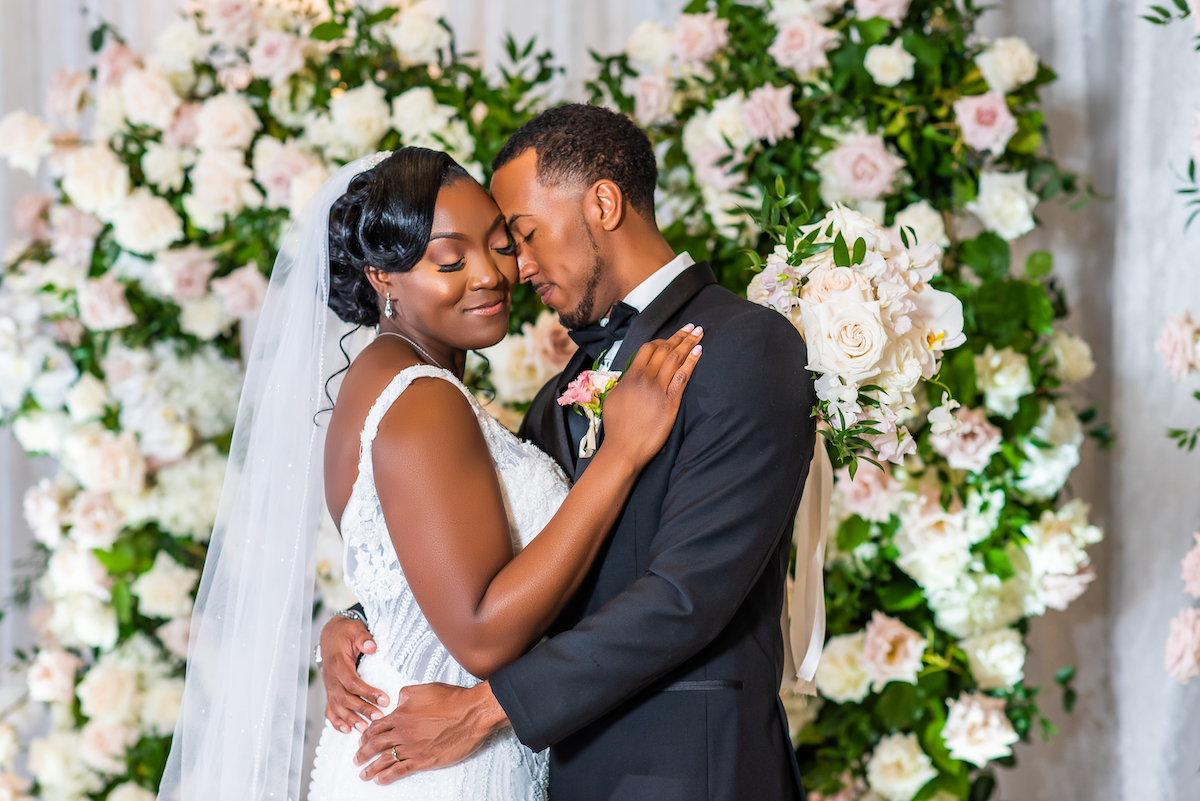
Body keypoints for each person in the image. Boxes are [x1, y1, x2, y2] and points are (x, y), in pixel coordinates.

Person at [157, 147, 705, 801]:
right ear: (383, 277)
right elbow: (481, 634)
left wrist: (357, 617)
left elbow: (416, 578)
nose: (490, 275)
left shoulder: (384, 379)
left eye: (500, 245)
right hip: (444, 765)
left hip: (418, 748)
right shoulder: (422, 398)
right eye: (450, 260)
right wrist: (620, 454)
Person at [321, 105, 817, 801]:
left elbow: (686, 594)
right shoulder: (558, 394)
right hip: (564, 773)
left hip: (687, 772)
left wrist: (483, 707)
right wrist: (368, 620)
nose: (515, 269)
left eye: (518, 236)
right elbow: (504, 555)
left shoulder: (744, 346)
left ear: (604, 203)